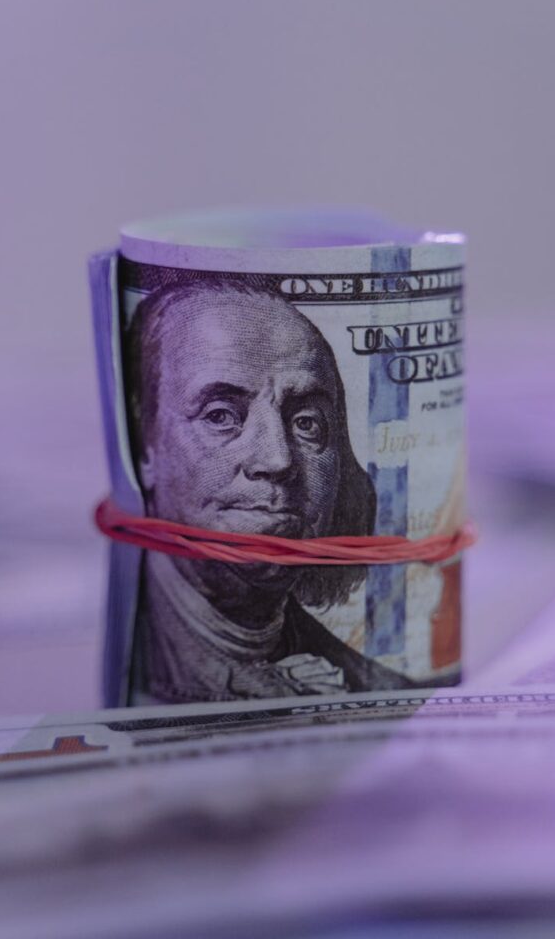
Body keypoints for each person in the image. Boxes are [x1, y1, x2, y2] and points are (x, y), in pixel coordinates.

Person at [124, 279, 414, 702]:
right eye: (221, 415)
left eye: (307, 424)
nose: (278, 459)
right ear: (144, 440)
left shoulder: (376, 690)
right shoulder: (141, 671)